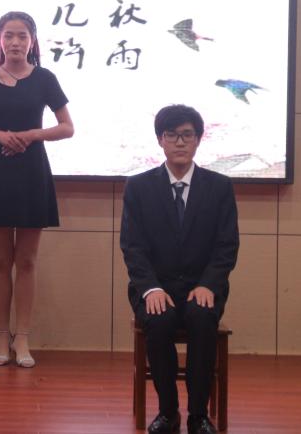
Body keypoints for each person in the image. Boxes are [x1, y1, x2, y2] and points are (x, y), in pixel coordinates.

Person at [0, 11, 74, 368]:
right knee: (1, 261)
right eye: (9, 35)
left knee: (27, 260)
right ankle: (1, 336)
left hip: (32, 171)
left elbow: (67, 127)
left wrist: (32, 135)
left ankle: (23, 337)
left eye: (22, 35)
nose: (15, 42)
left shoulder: (45, 78)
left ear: (33, 40)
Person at [120, 104, 240, 434]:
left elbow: (226, 245)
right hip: (154, 286)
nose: (180, 142)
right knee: (158, 321)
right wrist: (150, 288)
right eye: (171, 135)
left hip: (202, 287)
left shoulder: (219, 187)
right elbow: (132, 246)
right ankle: (168, 413)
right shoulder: (139, 187)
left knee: (202, 319)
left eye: (187, 134)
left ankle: (198, 415)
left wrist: (209, 284)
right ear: (160, 140)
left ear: (198, 139)